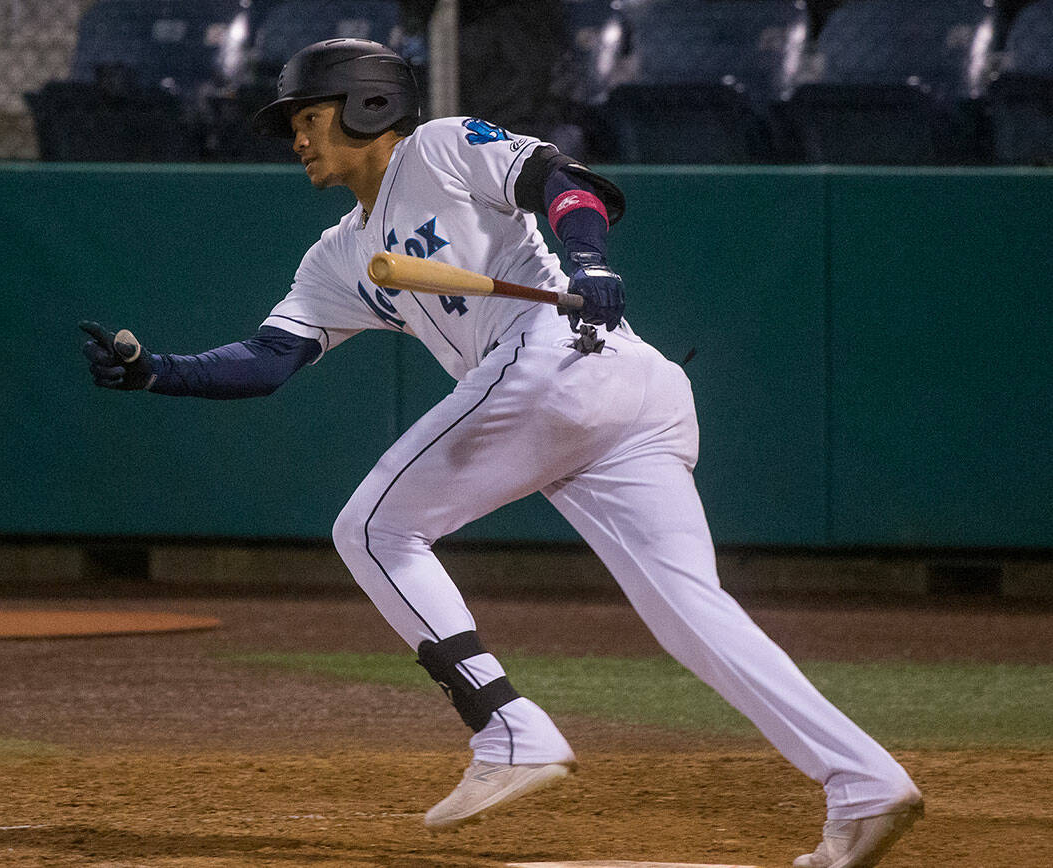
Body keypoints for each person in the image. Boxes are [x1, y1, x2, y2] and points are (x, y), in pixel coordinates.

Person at [80, 38, 922, 868]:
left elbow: (563, 182)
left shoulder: (439, 147)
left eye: (309, 116)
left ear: (368, 105)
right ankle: (865, 783)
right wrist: (158, 373)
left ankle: (507, 727)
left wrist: (588, 258)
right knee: (690, 616)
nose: (296, 139)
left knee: (373, 530)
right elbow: (265, 361)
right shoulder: (338, 255)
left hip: (565, 360)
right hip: (601, 395)